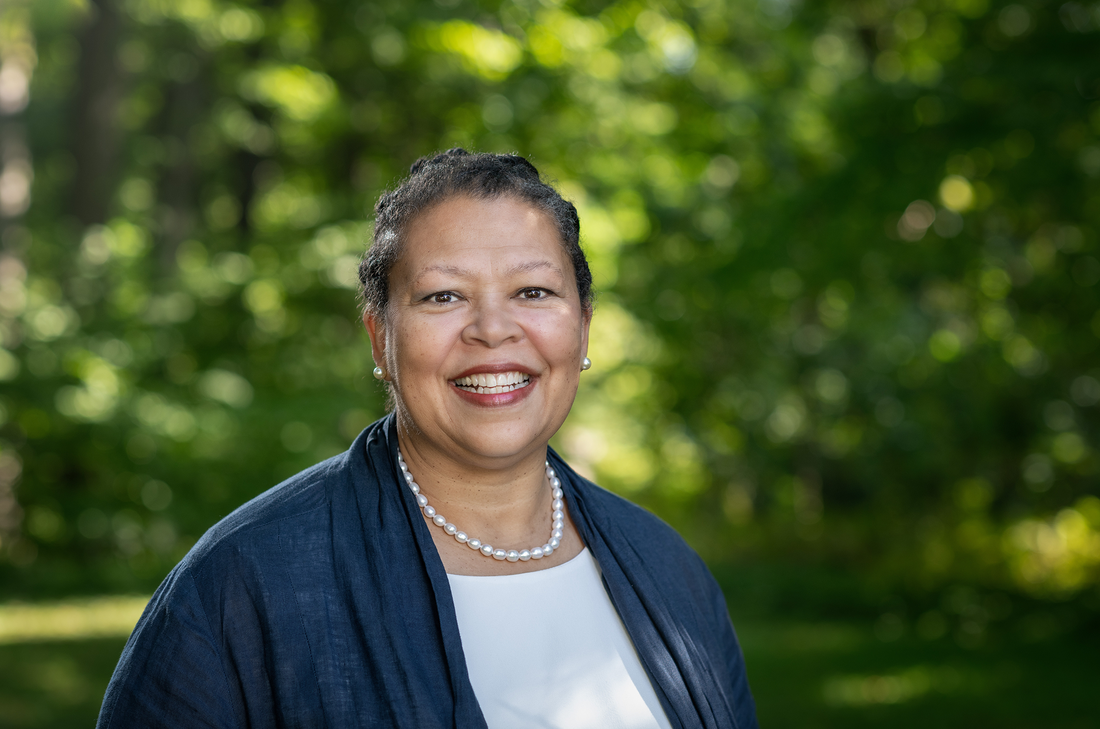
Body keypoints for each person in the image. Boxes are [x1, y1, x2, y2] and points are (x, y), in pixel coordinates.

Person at [97, 149, 758, 728]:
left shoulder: (671, 573)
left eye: (533, 290)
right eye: (443, 296)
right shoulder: (244, 584)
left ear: (582, 327)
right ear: (379, 338)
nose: (493, 329)